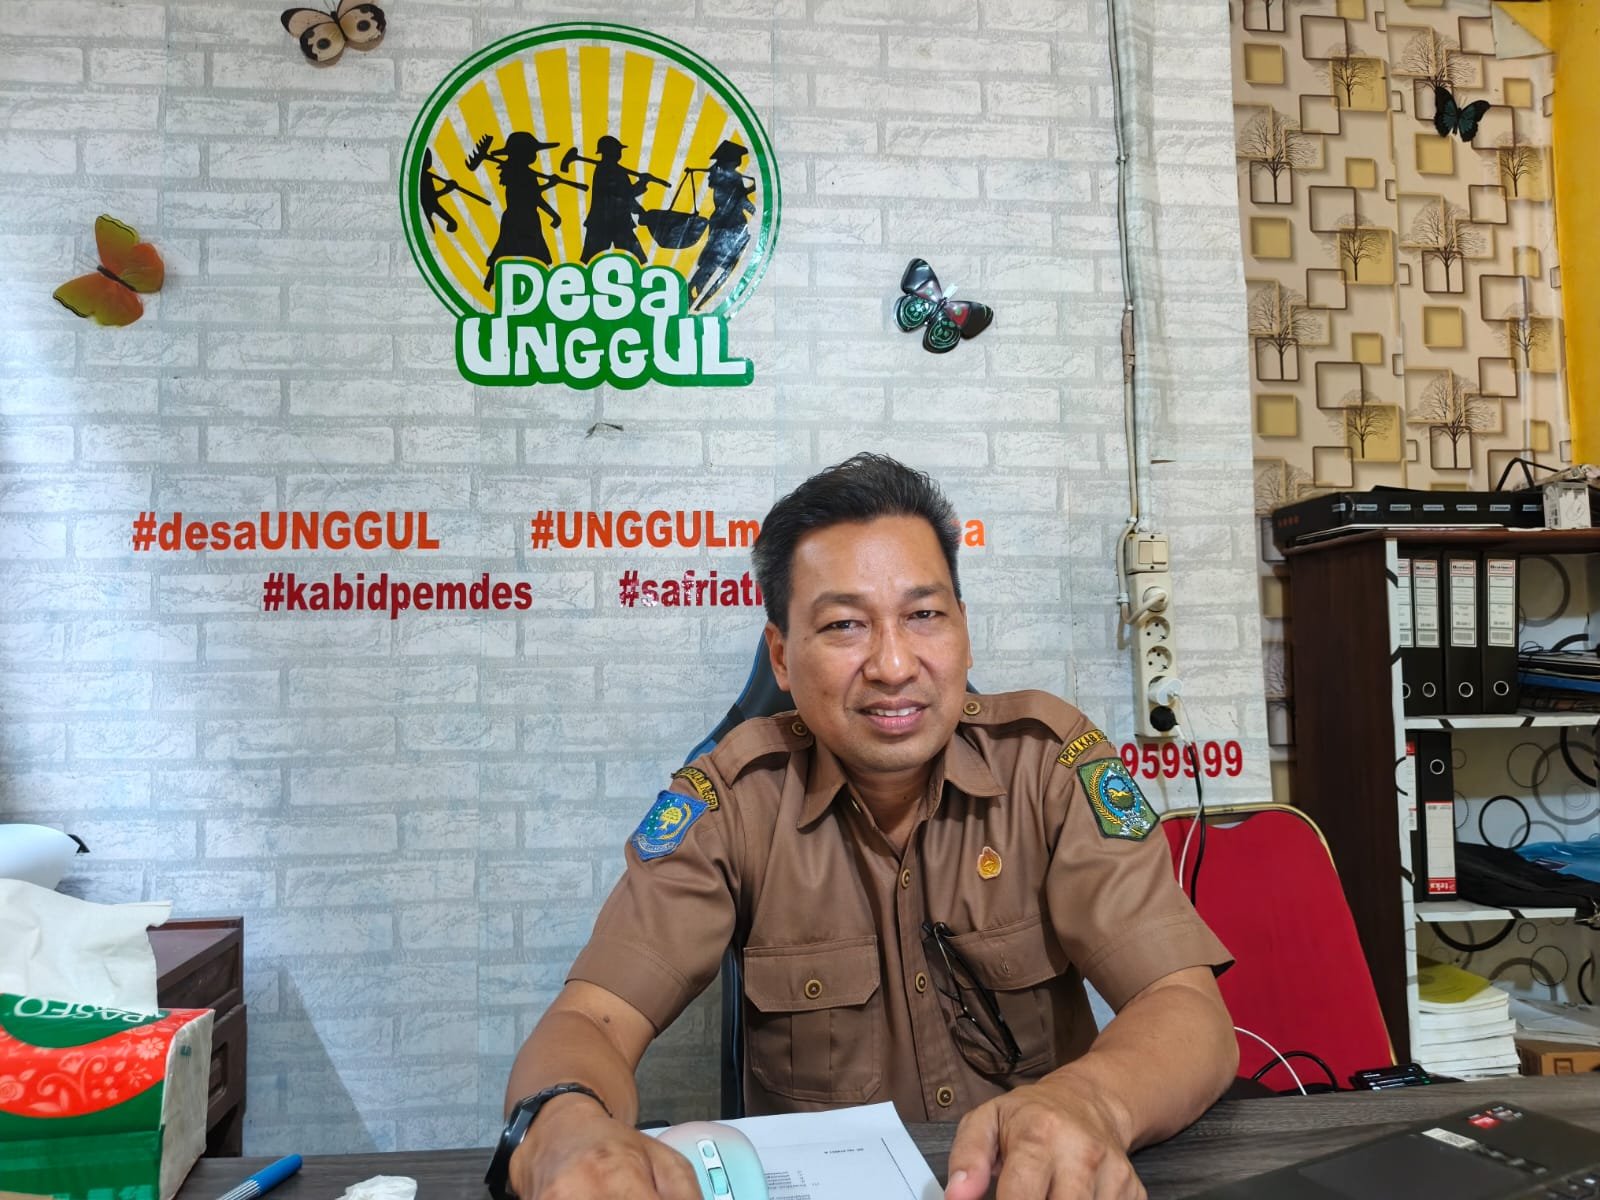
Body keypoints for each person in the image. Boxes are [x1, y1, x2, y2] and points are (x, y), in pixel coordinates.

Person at [496, 454, 1236, 1200]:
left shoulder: (1047, 767)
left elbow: (1185, 1009)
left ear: (963, 630)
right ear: (782, 658)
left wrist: (1089, 1103)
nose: (892, 664)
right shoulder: (733, 803)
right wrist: (565, 1132)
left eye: (924, 615)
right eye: (845, 625)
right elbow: (593, 1018)